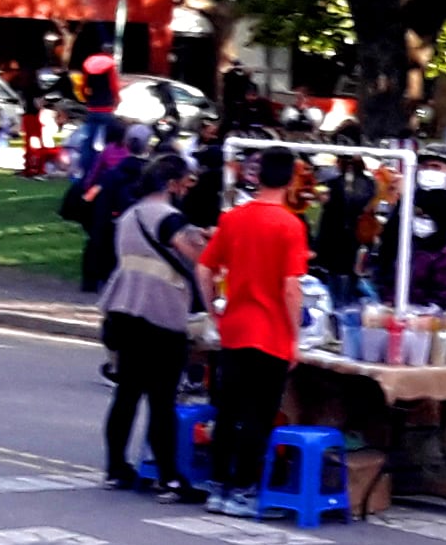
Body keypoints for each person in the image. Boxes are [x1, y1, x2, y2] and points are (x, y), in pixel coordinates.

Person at [200, 148, 313, 517]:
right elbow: (290, 288)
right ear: (292, 179)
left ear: (257, 175)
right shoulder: (290, 226)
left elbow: (205, 269)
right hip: (272, 333)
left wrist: (213, 309)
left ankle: (218, 485)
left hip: (235, 328)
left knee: (228, 409)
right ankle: (245, 491)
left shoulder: (232, 218)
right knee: (258, 415)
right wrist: (295, 335)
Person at [97, 155, 207, 496]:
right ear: (172, 183)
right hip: (159, 313)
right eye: (186, 182)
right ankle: (171, 477)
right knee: (162, 400)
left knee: (126, 393)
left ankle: (116, 467)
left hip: (123, 309)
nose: (187, 189)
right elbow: (199, 254)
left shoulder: (130, 216)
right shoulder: (168, 217)